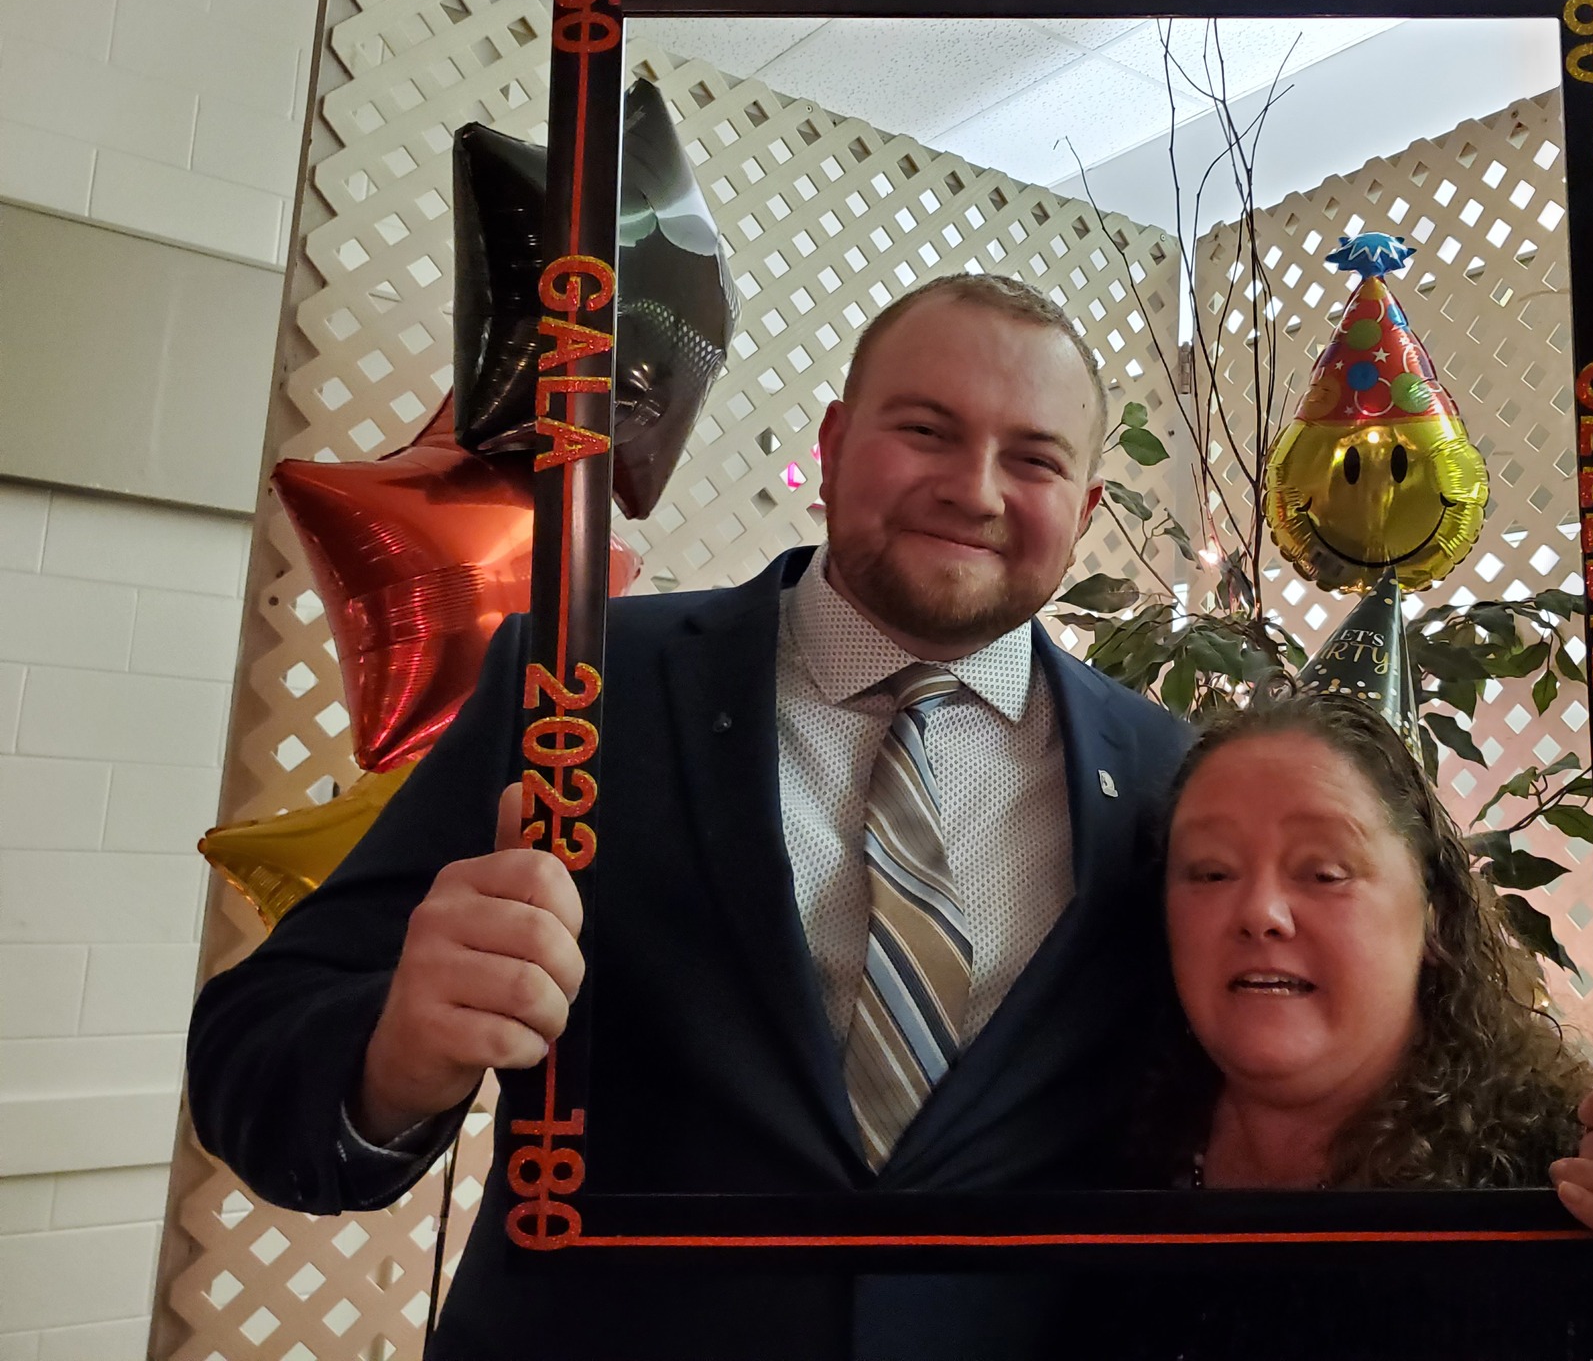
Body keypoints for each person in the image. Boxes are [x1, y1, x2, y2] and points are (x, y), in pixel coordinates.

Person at [185, 272, 1193, 1358]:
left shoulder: (1160, 773)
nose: (974, 490)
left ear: (1087, 508)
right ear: (836, 446)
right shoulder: (576, 687)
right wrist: (393, 1054)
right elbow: (254, 1051)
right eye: (925, 431)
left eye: (1034, 459)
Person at [1118, 690, 1593, 1360]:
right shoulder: (1105, 1152)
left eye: (1324, 872)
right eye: (1210, 872)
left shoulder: (1573, 1189)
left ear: (1434, 913)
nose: (1260, 913)